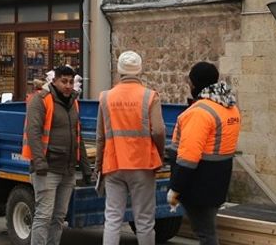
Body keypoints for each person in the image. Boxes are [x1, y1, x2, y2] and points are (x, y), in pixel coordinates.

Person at [167, 62, 241, 245]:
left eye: (191, 82)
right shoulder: (229, 107)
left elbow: (188, 157)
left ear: (197, 84)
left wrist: (175, 188)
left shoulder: (200, 112)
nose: (190, 86)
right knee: (207, 231)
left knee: (205, 234)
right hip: (218, 179)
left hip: (199, 183)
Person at [97, 51, 166, 245]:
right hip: (142, 163)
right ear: (139, 71)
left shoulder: (106, 97)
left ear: (119, 71)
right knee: (144, 220)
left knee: (112, 219)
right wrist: (158, 155)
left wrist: (98, 166)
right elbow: (159, 131)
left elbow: (100, 137)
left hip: (113, 163)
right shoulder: (150, 96)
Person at [23, 64, 91, 245]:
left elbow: (78, 136)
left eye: (71, 82)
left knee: (59, 217)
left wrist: (85, 167)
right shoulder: (41, 100)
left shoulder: (73, 102)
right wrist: (39, 162)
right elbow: (33, 132)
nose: (68, 86)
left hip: (67, 169)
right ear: (54, 81)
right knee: (43, 216)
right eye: (64, 81)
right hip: (47, 168)